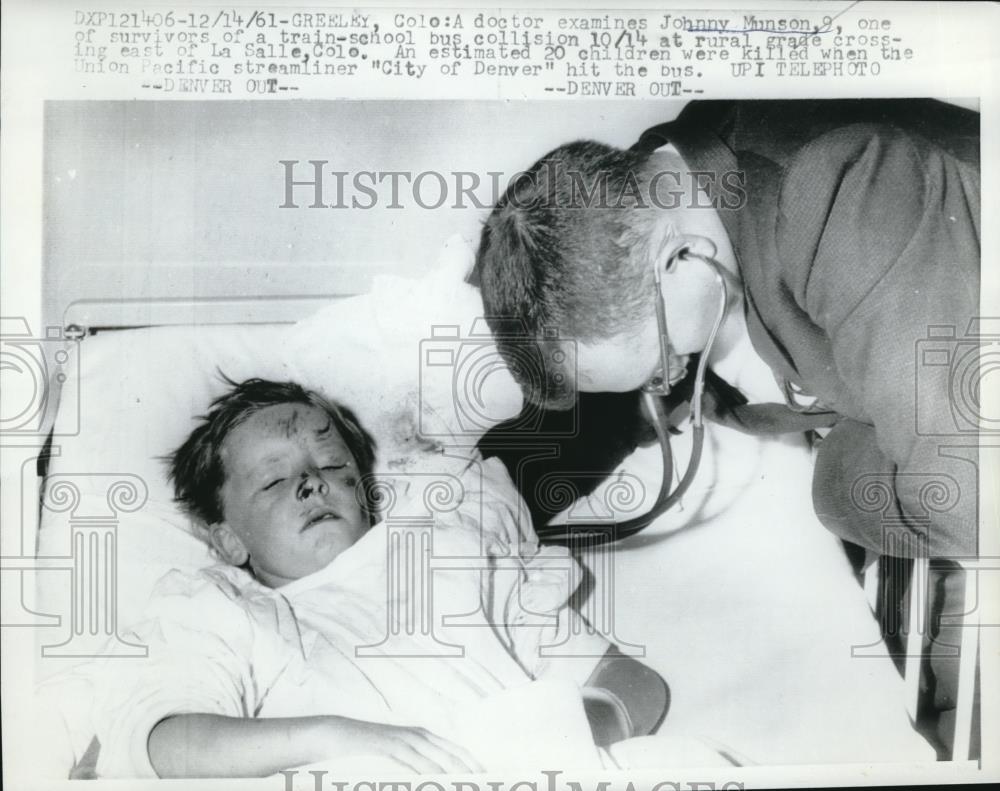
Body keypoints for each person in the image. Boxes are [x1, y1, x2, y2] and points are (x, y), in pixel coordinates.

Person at [473, 100, 980, 755]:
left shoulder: (843, 192)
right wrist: (472, 504)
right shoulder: (660, 188)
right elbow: (589, 423)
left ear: (679, 257)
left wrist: (832, 483)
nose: (665, 383)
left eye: (660, 363)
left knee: (849, 495)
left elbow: (971, 500)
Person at [72, 378, 670, 778]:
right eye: (274, 481)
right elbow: (163, 744)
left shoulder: (447, 553)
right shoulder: (225, 606)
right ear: (227, 538)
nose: (312, 482)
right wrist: (337, 738)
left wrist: (582, 722)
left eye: (333, 466)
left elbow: (634, 681)